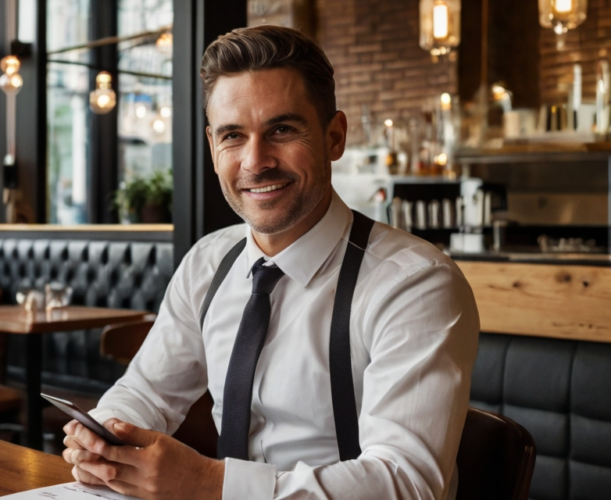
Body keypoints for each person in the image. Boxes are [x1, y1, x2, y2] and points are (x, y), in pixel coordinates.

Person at [62, 25, 479, 500]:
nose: (255, 161)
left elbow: (406, 483)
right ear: (212, 145)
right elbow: (146, 391)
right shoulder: (208, 262)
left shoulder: (412, 284)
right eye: (233, 136)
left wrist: (206, 484)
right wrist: (103, 437)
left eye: (281, 129)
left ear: (334, 136)